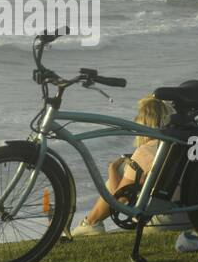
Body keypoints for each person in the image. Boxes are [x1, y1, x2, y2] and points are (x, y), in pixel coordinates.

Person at [70, 95, 172, 238]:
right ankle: (91, 224)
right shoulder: (183, 146)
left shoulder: (146, 151)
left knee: (118, 171)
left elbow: (120, 201)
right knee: (129, 174)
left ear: (144, 123)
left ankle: (91, 223)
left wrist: (112, 168)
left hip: (164, 222)